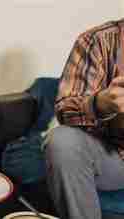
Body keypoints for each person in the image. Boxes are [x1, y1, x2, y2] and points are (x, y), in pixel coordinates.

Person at [45, 19, 124, 219]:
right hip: (113, 156)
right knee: (63, 141)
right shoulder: (97, 40)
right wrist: (100, 103)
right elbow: (65, 109)